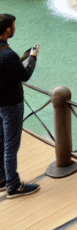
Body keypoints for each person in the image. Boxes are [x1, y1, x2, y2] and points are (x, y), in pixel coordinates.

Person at [0, 14, 40, 198]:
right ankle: (13, 186)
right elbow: (24, 75)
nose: (14, 28)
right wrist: (32, 57)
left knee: (2, 141)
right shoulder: (8, 54)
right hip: (11, 104)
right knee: (11, 145)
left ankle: (2, 179)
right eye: (13, 26)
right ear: (7, 29)